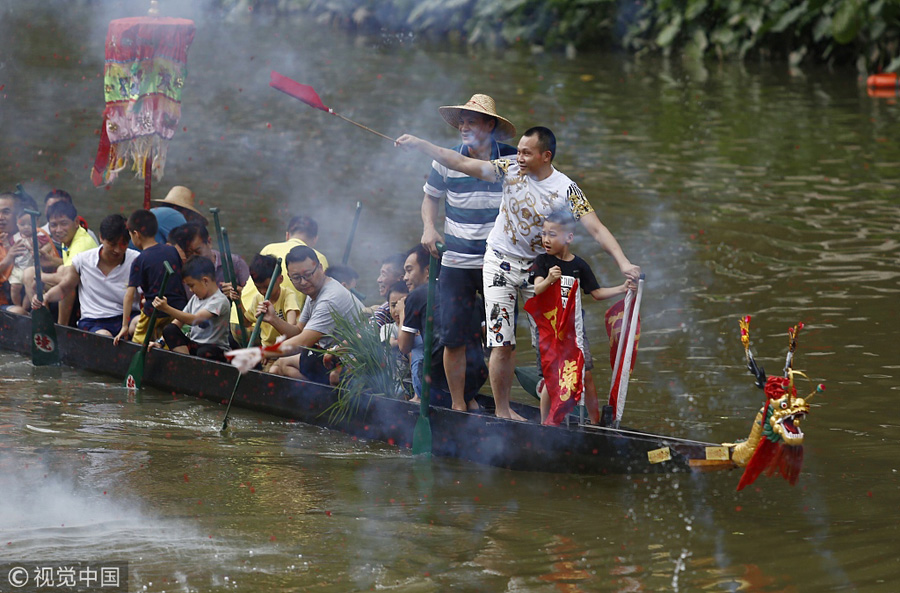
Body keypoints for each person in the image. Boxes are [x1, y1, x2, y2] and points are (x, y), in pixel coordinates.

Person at [396, 126, 641, 421]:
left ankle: (559, 416)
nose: (519, 157)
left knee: (553, 341)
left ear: (545, 156)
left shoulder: (566, 189)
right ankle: (502, 412)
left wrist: (624, 263)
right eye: (519, 150)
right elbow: (460, 162)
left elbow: (597, 229)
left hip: (539, 270)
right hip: (499, 262)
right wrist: (422, 144)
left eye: (526, 152)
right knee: (503, 341)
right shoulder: (508, 169)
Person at [420, 93, 517, 412]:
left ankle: (503, 408)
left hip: (498, 263)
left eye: (471, 121)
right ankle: (458, 404)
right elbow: (431, 198)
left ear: (490, 125)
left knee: (502, 338)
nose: (464, 127)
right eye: (461, 121)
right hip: (457, 262)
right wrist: (429, 228)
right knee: (454, 337)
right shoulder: (445, 159)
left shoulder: (513, 160)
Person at [530, 211, 635, 424]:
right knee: (553, 377)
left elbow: (596, 293)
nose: (546, 240)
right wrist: (550, 279)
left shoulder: (579, 266)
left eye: (552, 234)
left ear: (568, 237)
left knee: (585, 374)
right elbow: (537, 289)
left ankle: (595, 423)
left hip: (575, 331)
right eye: (543, 234)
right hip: (549, 331)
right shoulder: (541, 261)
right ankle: (545, 424)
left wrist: (622, 289)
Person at [396, 245, 487, 409]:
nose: (405, 277)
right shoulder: (473, 296)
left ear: (428, 271)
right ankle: (470, 399)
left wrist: (402, 313)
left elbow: (403, 346)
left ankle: (418, 398)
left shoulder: (417, 296)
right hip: (476, 378)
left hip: (438, 386)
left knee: (416, 348)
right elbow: (488, 341)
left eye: (409, 270)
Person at [31, 214, 140, 336]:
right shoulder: (83, 260)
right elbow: (64, 287)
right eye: (112, 244)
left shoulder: (137, 260)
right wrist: (46, 297)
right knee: (104, 336)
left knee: (139, 324)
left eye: (123, 244)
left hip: (127, 317)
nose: (118, 250)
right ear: (101, 238)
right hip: (94, 321)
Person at [266, 246, 363, 383]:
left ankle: (320, 397)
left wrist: (261, 353)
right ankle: (317, 396)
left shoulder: (329, 298)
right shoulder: (314, 291)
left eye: (308, 275)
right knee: (279, 366)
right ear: (289, 277)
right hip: (333, 356)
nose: (304, 282)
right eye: (297, 277)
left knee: (282, 365)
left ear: (320, 268)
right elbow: (298, 331)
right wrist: (273, 319)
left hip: (355, 364)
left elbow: (303, 342)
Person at [115, 210, 188, 345]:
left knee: (137, 344)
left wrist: (125, 326)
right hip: (178, 312)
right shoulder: (172, 250)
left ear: (136, 234)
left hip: (153, 313)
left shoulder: (140, 260)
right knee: (169, 345)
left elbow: (129, 295)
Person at [22, 200, 99, 321]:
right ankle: (44, 321)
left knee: (60, 275)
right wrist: (52, 261)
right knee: (29, 273)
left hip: (89, 294)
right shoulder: (68, 238)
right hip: (77, 285)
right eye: (53, 225)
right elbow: (73, 265)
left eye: (64, 223)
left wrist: (42, 277)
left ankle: (62, 327)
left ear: (76, 222)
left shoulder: (81, 243)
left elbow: (69, 278)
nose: (58, 230)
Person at [150, 256, 231, 362]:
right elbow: (177, 322)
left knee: (204, 351)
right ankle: (186, 363)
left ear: (205, 281)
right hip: (195, 346)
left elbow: (194, 320)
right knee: (170, 329)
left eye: (192, 285)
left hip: (214, 350)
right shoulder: (195, 298)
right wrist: (160, 342)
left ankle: (189, 365)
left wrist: (166, 308)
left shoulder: (219, 300)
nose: (190, 290)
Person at [168, 221, 249, 295]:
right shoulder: (182, 269)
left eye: (198, 251)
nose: (194, 257)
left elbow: (252, 295)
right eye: (188, 253)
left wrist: (237, 291)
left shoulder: (235, 263)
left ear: (209, 242)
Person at [239, 253, 301, 347]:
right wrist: (237, 301)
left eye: (267, 287)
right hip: (267, 349)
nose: (263, 291)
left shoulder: (288, 296)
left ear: (280, 279)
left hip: (285, 349)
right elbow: (246, 323)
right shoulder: (258, 299)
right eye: (258, 287)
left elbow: (291, 330)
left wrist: (273, 319)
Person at [0, 192, 23, 310]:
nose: (0, 217)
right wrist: (9, 257)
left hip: (33, 298)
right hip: (3, 304)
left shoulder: (34, 236)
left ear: (18, 216)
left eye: (6, 212)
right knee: (18, 312)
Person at [372, 253, 406, 327]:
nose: (378, 280)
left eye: (384, 275)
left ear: (401, 279)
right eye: (393, 305)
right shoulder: (384, 312)